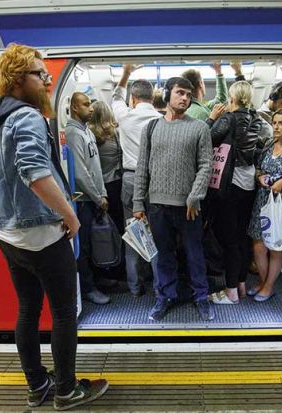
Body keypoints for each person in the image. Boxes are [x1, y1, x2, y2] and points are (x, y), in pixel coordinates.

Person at [0, 43, 108, 410]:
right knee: (64, 312)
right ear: (17, 79)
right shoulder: (27, 117)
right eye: (39, 74)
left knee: (27, 310)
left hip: (7, 234)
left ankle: (38, 386)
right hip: (42, 234)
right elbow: (35, 173)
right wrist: (70, 215)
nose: (47, 80)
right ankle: (66, 390)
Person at [133, 77, 214, 321]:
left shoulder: (199, 128)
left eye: (188, 95)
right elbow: (142, 167)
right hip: (157, 205)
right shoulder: (151, 128)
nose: (185, 98)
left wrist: (194, 197)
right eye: (180, 93)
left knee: (195, 254)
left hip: (189, 207)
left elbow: (205, 166)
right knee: (164, 255)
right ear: (167, 94)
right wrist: (138, 203)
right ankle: (165, 296)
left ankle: (201, 297)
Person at [206, 81, 263, 304]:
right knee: (241, 236)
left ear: (232, 98)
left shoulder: (229, 119)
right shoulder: (257, 119)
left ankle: (230, 292)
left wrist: (212, 117)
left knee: (229, 239)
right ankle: (240, 283)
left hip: (231, 183)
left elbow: (206, 138)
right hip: (249, 182)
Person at [111, 64, 163, 297]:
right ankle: (159, 286)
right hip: (157, 181)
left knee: (133, 233)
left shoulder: (124, 116)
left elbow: (115, 98)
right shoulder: (162, 120)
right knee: (157, 235)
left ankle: (134, 287)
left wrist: (126, 74)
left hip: (131, 180)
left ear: (133, 99)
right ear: (153, 98)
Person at [246, 108, 282, 302]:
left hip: (281, 204)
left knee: (275, 246)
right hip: (262, 200)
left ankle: (269, 286)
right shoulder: (269, 145)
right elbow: (258, 168)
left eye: (281, 123)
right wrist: (260, 178)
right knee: (258, 245)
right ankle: (263, 280)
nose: (276, 127)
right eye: (274, 122)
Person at [65, 92, 110, 305]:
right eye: (85, 104)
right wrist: (96, 196)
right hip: (82, 200)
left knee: (93, 243)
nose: (91, 108)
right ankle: (88, 287)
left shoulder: (86, 132)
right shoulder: (73, 133)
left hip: (93, 198)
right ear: (74, 107)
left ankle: (97, 279)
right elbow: (80, 173)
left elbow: (95, 169)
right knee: (83, 247)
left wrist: (102, 195)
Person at [88, 100, 127, 280]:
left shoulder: (88, 136)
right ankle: (119, 268)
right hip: (115, 185)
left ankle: (102, 269)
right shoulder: (115, 135)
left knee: (99, 230)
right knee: (118, 228)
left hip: (95, 189)